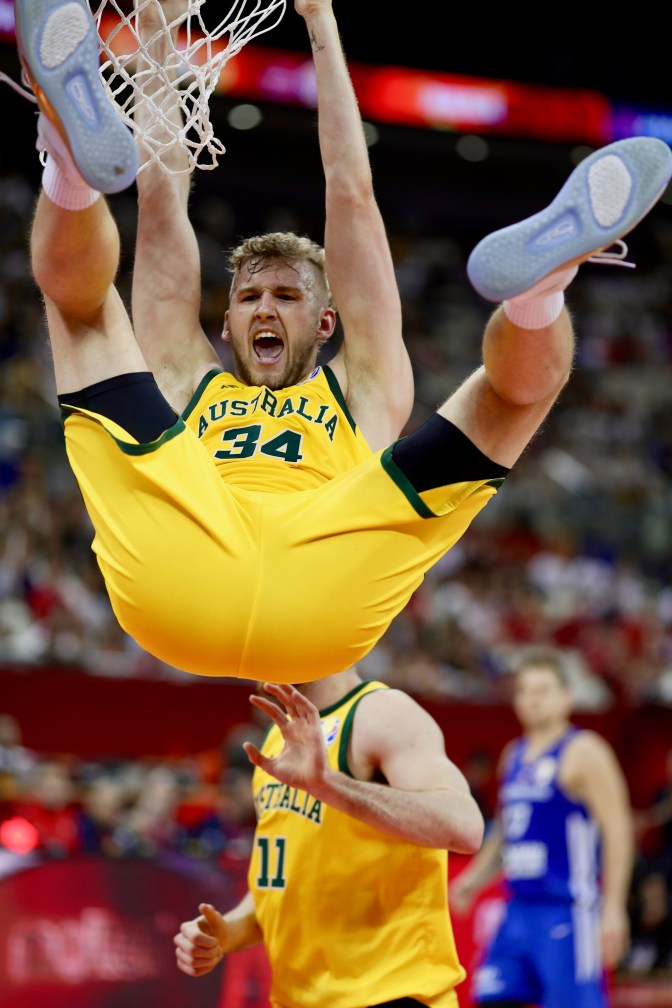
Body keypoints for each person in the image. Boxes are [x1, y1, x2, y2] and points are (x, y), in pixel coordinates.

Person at [14, 0, 672, 683]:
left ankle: (538, 291)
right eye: (248, 298)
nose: (264, 308)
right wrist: (154, 36)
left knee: (506, 403)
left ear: (327, 324)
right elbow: (160, 193)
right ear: (226, 323)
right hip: (213, 561)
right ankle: (72, 160)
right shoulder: (192, 381)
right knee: (89, 312)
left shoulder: (357, 387)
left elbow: (351, 193)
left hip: (285, 572)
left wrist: (321, 20)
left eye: (287, 296)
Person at [174, 668, 485, 1007]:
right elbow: (279, 884)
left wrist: (330, 785)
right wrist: (228, 931)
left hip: (389, 994)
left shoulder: (382, 711)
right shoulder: (277, 737)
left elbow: (464, 827)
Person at [449, 646, 634, 1008]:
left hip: (566, 908)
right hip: (517, 908)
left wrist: (614, 908)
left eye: (542, 691)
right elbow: (507, 830)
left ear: (566, 698)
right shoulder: (513, 754)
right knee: (491, 998)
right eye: (524, 691)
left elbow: (618, 828)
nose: (532, 700)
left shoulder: (584, 750)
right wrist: (473, 879)